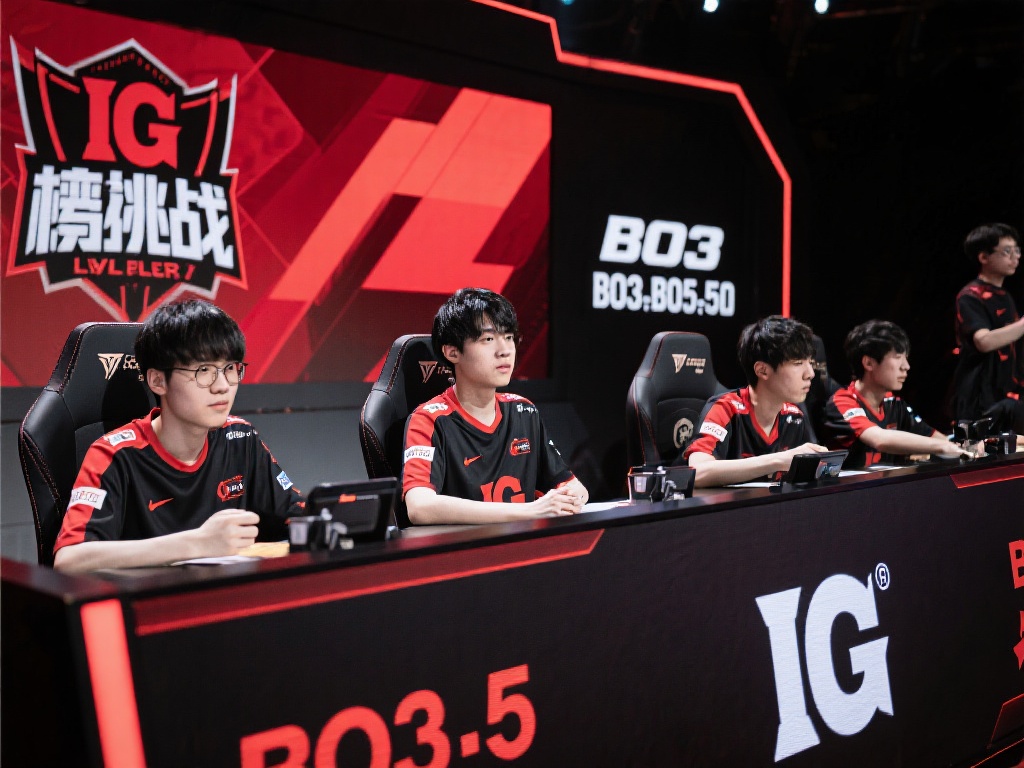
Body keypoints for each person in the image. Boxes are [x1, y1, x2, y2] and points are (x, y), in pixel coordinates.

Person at [53, 299, 304, 573]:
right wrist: (197, 543)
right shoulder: (113, 455)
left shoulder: (240, 438)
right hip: (151, 598)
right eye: (204, 371)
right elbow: (69, 560)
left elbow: (300, 516)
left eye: (230, 368)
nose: (222, 386)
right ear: (157, 381)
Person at [403, 288, 588, 524]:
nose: (505, 351)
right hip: (468, 546)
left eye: (509, 337)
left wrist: (567, 499)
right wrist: (532, 510)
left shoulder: (523, 411)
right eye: (488, 339)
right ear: (452, 352)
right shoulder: (429, 419)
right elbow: (420, 507)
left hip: (526, 543)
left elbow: (576, 488)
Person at [680, 315, 827, 487]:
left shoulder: (795, 417)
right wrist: (779, 460)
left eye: (810, 362)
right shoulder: (725, 408)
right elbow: (697, 472)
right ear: (762, 370)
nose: (810, 374)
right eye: (797, 363)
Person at [821, 320, 969, 468]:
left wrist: (966, 446)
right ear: (869, 363)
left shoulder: (894, 403)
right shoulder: (843, 401)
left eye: (906, 357)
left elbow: (936, 438)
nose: (906, 366)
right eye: (898, 357)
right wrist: (942, 447)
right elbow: (879, 439)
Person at [952, 223, 1024, 434]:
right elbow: (984, 342)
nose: (1015, 257)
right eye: (1007, 251)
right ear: (984, 257)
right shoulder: (970, 296)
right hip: (979, 396)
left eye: (1017, 250)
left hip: (1006, 393)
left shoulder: (1005, 296)